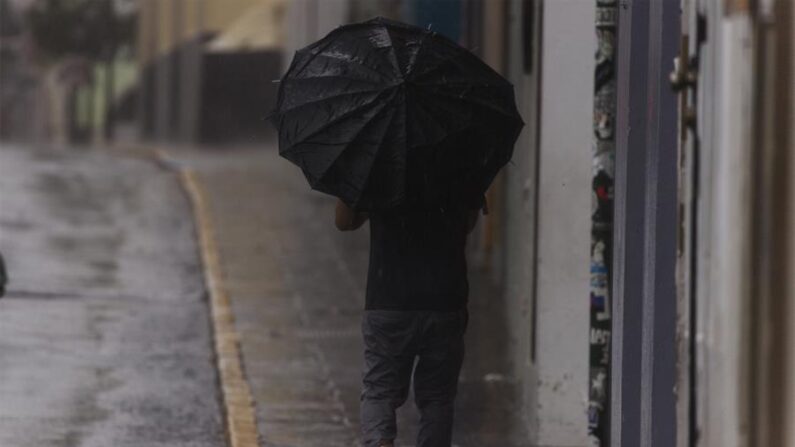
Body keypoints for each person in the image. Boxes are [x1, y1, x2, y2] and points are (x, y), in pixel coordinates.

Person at [335, 196, 485, 447]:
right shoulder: (462, 160)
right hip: (446, 297)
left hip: (389, 296)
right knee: (438, 399)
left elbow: (344, 222)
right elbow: (468, 223)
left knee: (380, 392)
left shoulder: (378, 162)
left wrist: (358, 191)